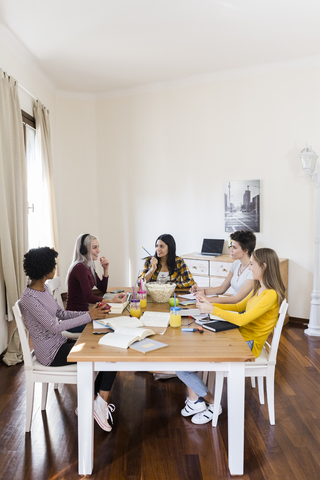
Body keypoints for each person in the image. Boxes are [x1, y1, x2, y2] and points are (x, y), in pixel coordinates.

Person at [176, 248, 285, 425]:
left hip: (247, 345)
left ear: (263, 266)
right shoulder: (259, 289)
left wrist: (212, 310)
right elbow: (238, 307)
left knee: (182, 364)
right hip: (239, 337)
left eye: (253, 265)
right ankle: (196, 400)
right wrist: (209, 302)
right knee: (189, 353)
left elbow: (242, 320)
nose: (250, 269)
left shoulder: (270, 295)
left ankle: (212, 403)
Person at [20, 247, 117, 432]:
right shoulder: (29, 299)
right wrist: (89, 316)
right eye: (53, 264)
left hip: (59, 343)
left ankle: (92, 403)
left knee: (107, 347)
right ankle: (99, 403)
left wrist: (92, 313)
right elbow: (54, 326)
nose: (55, 267)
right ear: (45, 268)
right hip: (50, 353)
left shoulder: (43, 289)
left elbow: (60, 313)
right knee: (107, 353)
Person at [66, 233, 126, 332]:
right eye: (94, 247)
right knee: (110, 328)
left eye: (98, 247)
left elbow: (102, 288)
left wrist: (105, 269)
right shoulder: (79, 268)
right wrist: (111, 301)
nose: (98, 250)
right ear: (83, 250)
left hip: (84, 315)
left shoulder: (89, 265)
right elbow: (89, 297)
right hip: (75, 320)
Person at [190, 230, 256, 304]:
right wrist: (202, 291)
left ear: (245, 251)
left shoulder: (252, 270)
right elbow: (222, 288)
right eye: (231, 246)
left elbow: (236, 298)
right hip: (234, 307)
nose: (230, 250)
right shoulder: (236, 264)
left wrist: (207, 299)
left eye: (234, 248)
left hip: (243, 310)